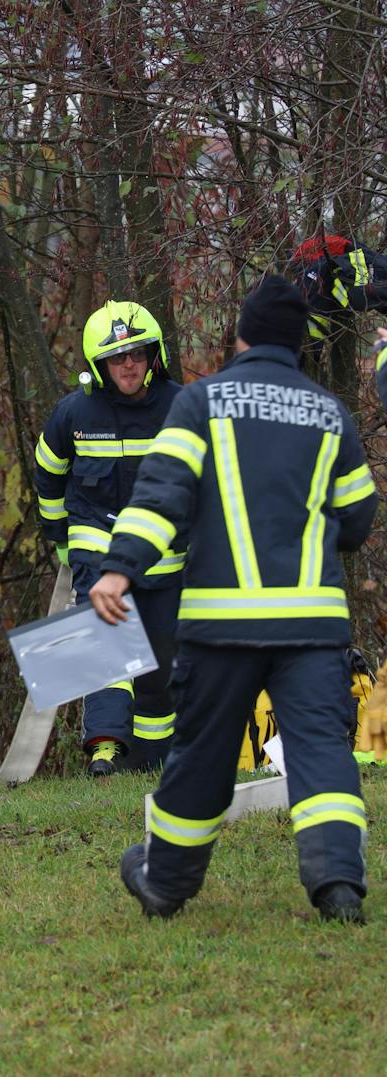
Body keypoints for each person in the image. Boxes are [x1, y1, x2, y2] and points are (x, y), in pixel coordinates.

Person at [92, 275, 378, 924]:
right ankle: (338, 884)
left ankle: (164, 883)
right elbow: (359, 517)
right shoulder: (330, 413)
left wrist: (118, 570)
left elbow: (160, 495)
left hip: (221, 625)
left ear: (242, 336)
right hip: (312, 626)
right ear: (299, 346)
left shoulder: (200, 404)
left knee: (202, 755)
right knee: (321, 751)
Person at [31, 303, 184, 775]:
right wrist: (61, 538)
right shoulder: (72, 413)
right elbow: (48, 477)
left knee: (160, 668)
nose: (129, 365)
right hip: (97, 549)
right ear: (99, 365)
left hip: (165, 561)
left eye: (137, 353)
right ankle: (103, 748)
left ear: (153, 355)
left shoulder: (181, 407)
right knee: (104, 642)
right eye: (117, 358)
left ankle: (150, 761)